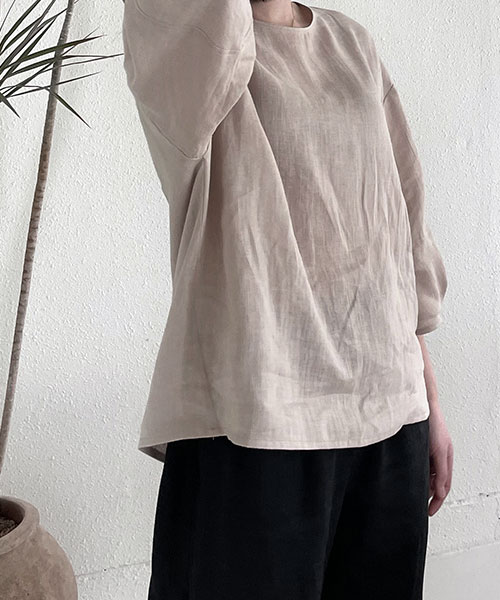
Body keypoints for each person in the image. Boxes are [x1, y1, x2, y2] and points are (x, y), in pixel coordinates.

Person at [121, 1, 454, 598]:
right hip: (254, 417)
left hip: (388, 409)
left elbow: (401, 227)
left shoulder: (352, 44)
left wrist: (429, 399)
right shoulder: (187, 37)